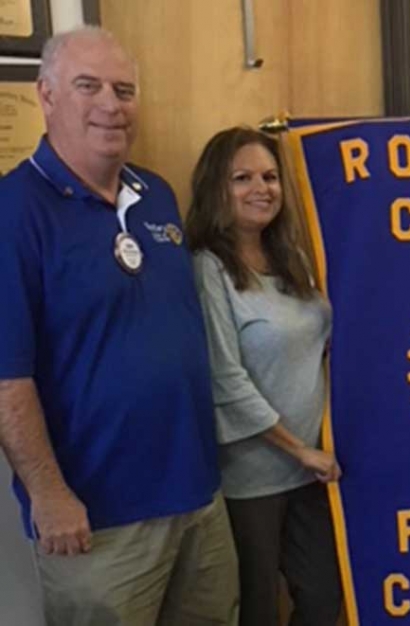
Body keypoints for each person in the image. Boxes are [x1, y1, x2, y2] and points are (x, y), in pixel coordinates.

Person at [0, 27, 238, 625]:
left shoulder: (156, 194)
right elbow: (6, 379)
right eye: (89, 86)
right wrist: (50, 498)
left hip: (199, 498)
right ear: (47, 95)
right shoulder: (13, 211)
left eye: (124, 89)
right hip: (98, 519)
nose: (111, 104)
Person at [185, 126, 343, 626]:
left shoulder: (294, 257)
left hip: (314, 471)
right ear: (217, 188)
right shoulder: (206, 267)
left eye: (271, 176)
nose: (262, 188)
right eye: (242, 177)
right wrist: (298, 448)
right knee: (256, 610)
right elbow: (225, 378)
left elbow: (325, 343)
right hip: (252, 475)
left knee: (322, 598)